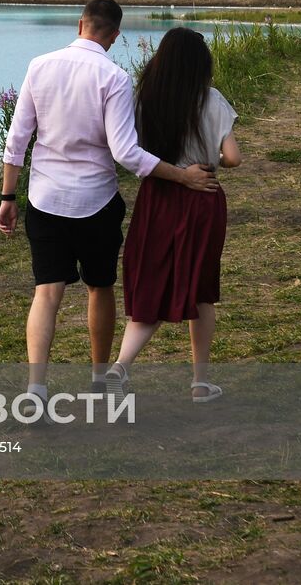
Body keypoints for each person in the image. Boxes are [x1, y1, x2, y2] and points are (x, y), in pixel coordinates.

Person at [0, 0, 217, 416]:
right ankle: (100, 379)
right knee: (100, 287)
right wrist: (183, 176)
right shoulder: (114, 76)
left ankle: (36, 389)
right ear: (114, 35)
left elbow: (17, 140)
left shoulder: (38, 66)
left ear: (80, 23)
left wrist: (8, 197)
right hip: (96, 202)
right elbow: (126, 153)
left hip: (45, 200)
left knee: (46, 293)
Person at [105, 26, 241, 402]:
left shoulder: (143, 98)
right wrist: (209, 159)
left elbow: (129, 147)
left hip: (158, 197)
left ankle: (120, 366)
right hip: (202, 199)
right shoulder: (211, 99)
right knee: (201, 289)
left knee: (153, 282)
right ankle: (199, 383)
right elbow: (233, 157)